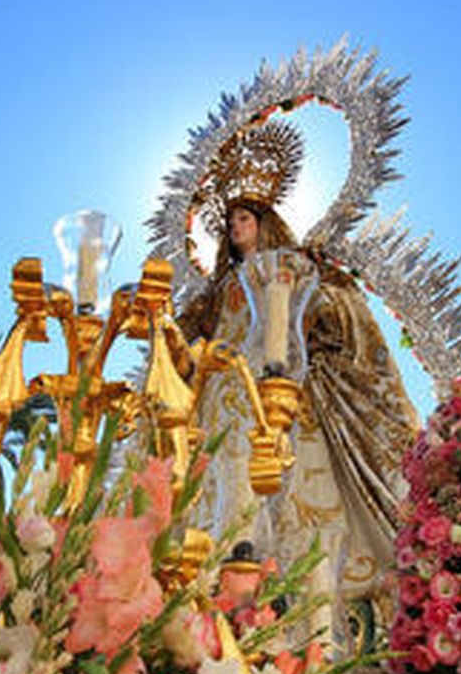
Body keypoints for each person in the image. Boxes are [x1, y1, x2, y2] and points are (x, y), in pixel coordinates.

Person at [177, 192, 419, 648]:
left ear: (265, 222)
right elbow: (185, 338)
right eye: (230, 222)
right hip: (221, 398)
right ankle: (220, 598)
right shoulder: (216, 291)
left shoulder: (292, 267)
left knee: (297, 498)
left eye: (244, 218)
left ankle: (311, 624)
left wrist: (298, 297)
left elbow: (340, 309)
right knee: (221, 492)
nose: (235, 227)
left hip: (279, 394)